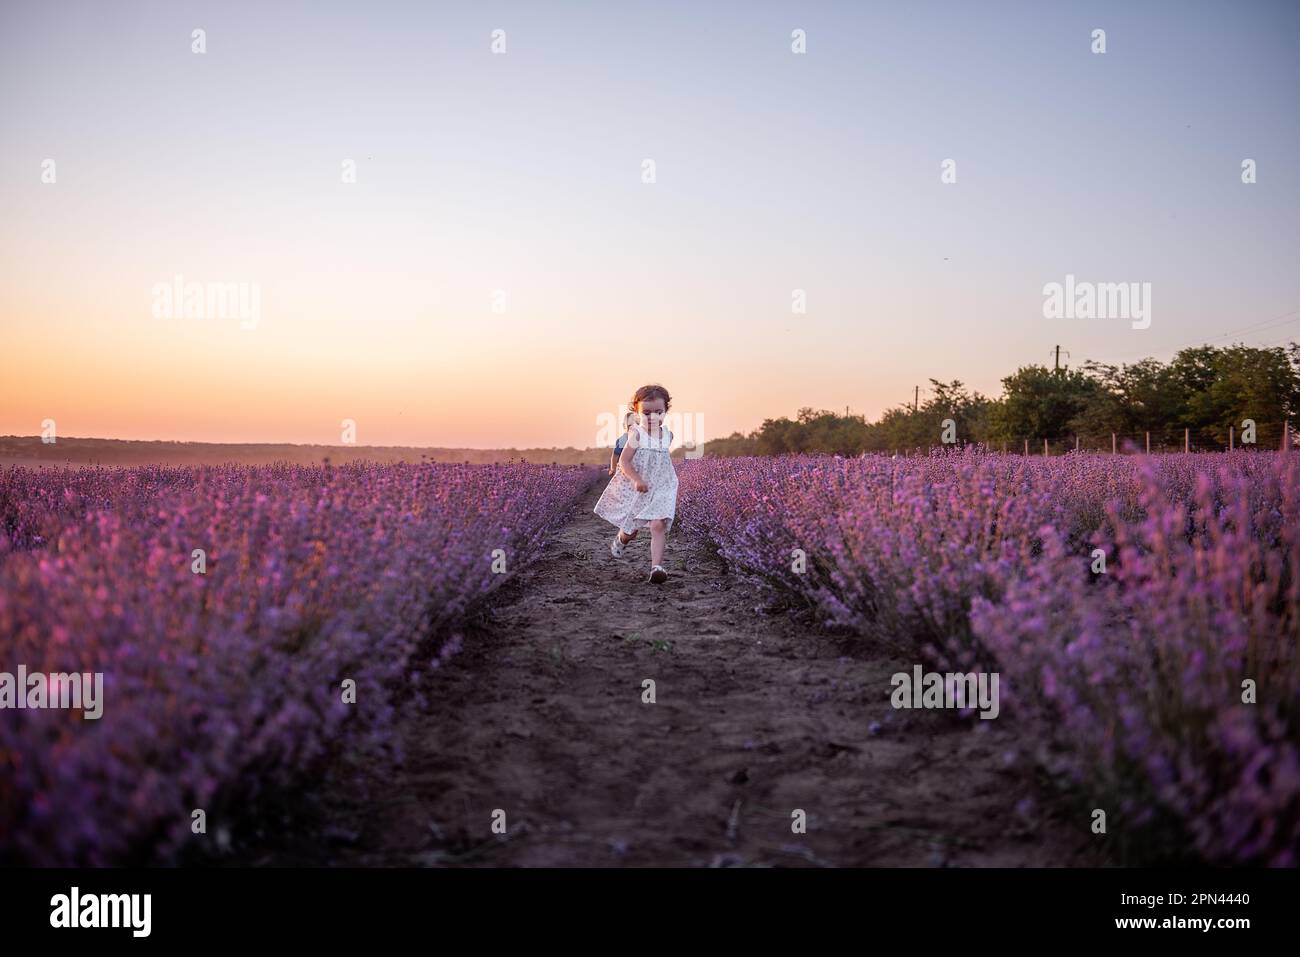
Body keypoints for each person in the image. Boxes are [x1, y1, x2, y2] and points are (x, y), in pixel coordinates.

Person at [593, 384, 679, 583]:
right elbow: (624, 461)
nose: (653, 417)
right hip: (638, 488)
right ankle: (622, 538)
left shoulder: (668, 435)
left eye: (659, 412)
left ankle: (656, 568)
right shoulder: (637, 435)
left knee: (658, 525)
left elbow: (660, 460)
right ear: (637, 412)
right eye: (646, 413)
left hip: (662, 486)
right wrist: (637, 479)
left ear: (666, 411)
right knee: (632, 531)